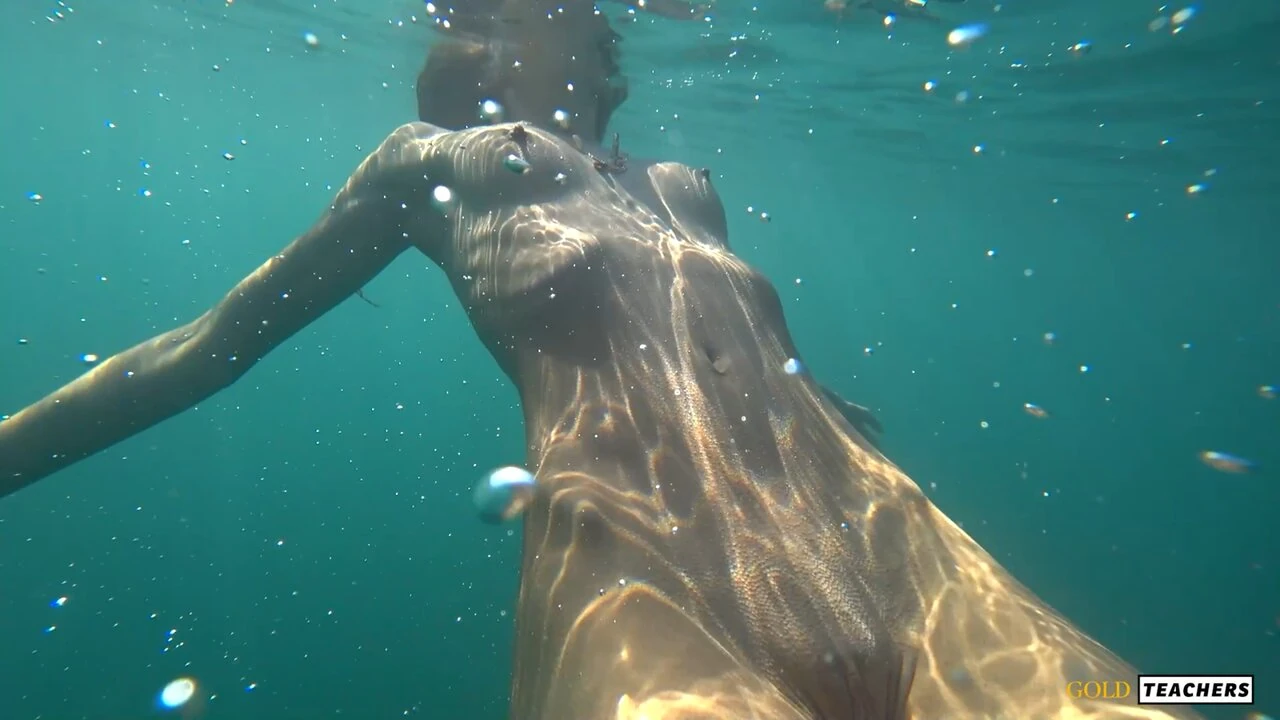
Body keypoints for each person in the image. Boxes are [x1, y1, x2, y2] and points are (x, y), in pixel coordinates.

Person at [0, 2, 1197, 719]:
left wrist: (813, 397)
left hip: (890, 550)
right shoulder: (426, 168)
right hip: (636, 582)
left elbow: (727, 353)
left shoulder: (678, 189)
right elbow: (208, 348)